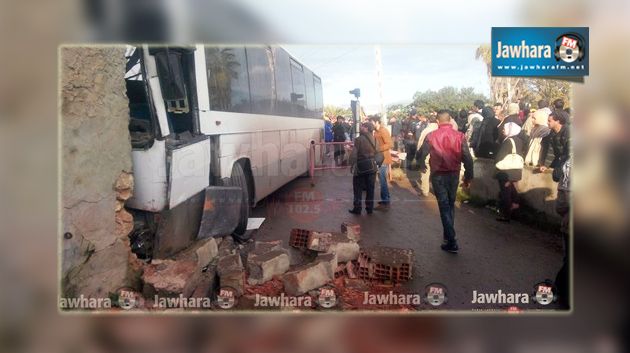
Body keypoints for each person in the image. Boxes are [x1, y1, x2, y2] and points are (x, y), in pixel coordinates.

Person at [417, 110, 474, 254]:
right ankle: (448, 236)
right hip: (454, 174)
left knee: (444, 206)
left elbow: (422, 153)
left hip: (439, 175)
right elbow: (467, 157)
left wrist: (422, 165)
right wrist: (468, 176)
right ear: (450, 120)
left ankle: (452, 240)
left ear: (437, 121)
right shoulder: (460, 136)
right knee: (450, 204)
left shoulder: (431, 135)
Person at [495, 122, 526, 222]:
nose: (503, 130)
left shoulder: (508, 141)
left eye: (505, 128)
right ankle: (515, 209)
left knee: (506, 193)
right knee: (513, 191)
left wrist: (496, 163)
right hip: (516, 170)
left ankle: (506, 214)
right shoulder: (520, 141)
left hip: (506, 171)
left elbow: (500, 156)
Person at [348, 122, 379, 215]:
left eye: (362, 126)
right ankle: (369, 209)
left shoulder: (359, 139)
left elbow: (354, 154)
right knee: (370, 188)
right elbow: (379, 153)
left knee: (357, 188)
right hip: (372, 166)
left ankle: (357, 208)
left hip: (361, 167)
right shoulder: (375, 139)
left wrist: (351, 164)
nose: (361, 128)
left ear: (366, 128)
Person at [370, 116, 393, 210]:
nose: (371, 124)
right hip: (379, 158)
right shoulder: (376, 131)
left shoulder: (383, 131)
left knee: (382, 181)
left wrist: (378, 149)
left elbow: (389, 144)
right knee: (382, 180)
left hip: (383, 158)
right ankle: (386, 200)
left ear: (376, 122)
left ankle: (385, 202)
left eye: (372, 122)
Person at [415, 115, 439, 197]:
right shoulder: (439, 129)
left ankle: (425, 191)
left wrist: (418, 155)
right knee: (436, 174)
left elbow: (420, 143)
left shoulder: (426, 130)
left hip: (427, 154)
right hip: (438, 156)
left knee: (425, 173)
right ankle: (438, 191)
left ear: (429, 121)